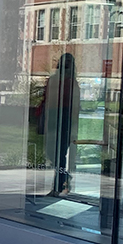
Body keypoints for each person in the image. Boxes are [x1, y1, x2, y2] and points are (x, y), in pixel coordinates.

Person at [41, 52, 80, 197]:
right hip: (53, 118)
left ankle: (59, 185)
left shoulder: (72, 83)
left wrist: (73, 127)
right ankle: (64, 178)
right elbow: (47, 101)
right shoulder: (54, 80)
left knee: (60, 155)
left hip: (65, 120)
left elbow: (75, 106)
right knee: (52, 153)